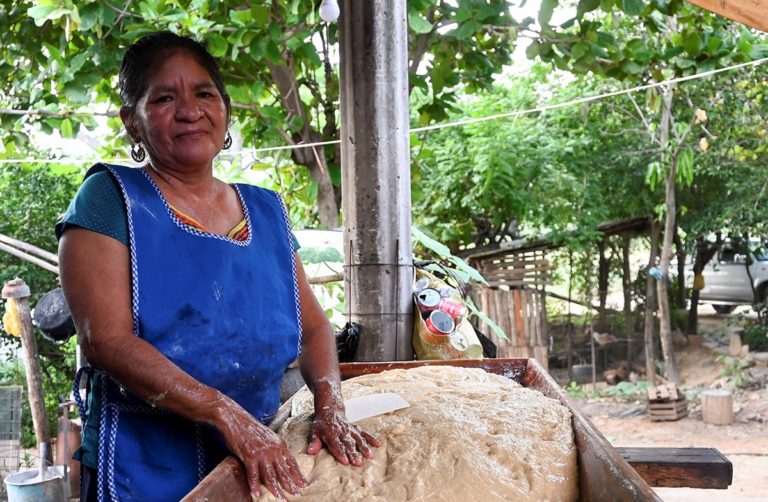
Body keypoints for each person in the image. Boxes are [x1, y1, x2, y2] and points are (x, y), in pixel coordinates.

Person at [57, 31, 380, 501]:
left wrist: (330, 405)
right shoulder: (111, 200)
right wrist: (224, 414)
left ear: (225, 109)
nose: (190, 111)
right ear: (133, 122)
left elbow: (313, 329)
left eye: (204, 93)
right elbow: (106, 341)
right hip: (144, 464)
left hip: (261, 451)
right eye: (165, 98)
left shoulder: (265, 212)